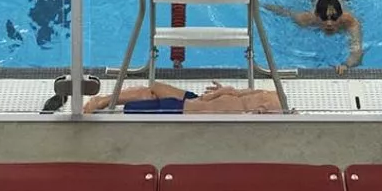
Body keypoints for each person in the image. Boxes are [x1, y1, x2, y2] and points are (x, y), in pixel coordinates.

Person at [82, 80, 283, 116]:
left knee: (151, 92)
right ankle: (102, 101)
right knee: (153, 90)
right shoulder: (273, 105)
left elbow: (235, 92)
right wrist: (218, 93)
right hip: (195, 105)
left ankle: (103, 100)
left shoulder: (270, 95)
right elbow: (235, 93)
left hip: (189, 108)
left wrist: (219, 92)